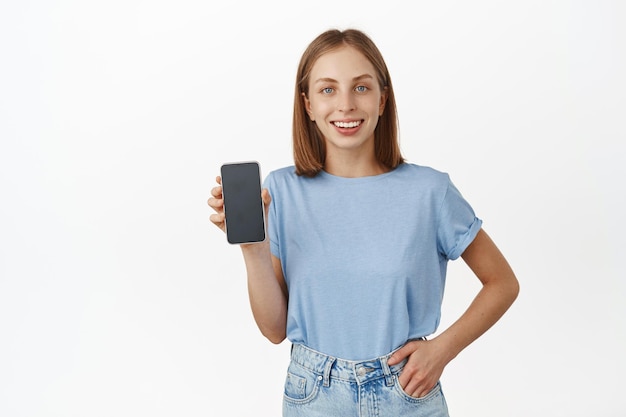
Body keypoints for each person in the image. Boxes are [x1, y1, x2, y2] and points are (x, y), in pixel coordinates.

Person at [208, 28, 519, 416]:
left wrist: (442, 349)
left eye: (360, 88)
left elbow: (503, 283)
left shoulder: (430, 191)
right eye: (327, 89)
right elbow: (274, 330)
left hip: (406, 392)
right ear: (306, 104)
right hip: (313, 395)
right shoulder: (281, 191)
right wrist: (254, 250)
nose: (345, 105)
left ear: (382, 98)